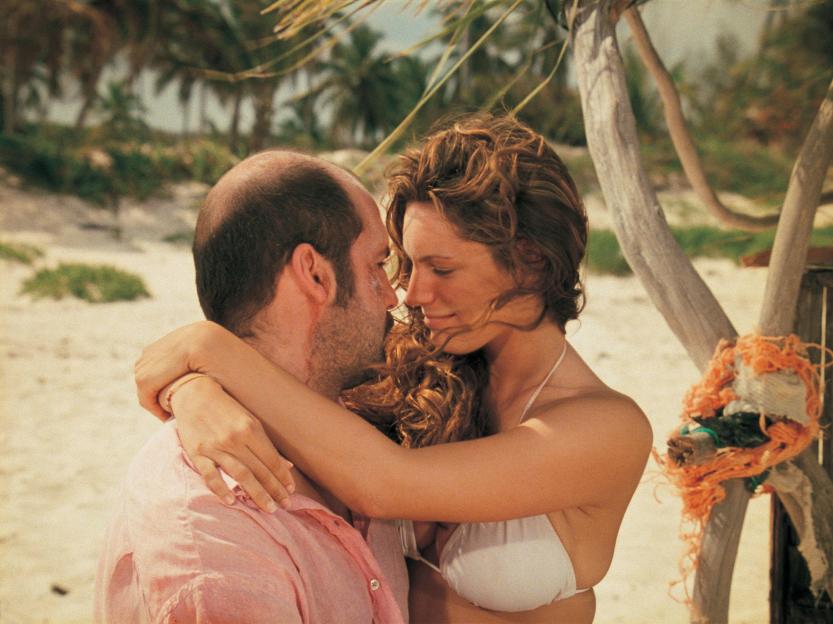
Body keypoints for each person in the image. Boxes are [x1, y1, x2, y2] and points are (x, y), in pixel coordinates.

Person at [135, 114, 653, 623]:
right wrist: (195, 389)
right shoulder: (411, 366)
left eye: (442, 268)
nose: (413, 293)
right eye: (408, 262)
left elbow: (383, 483)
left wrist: (209, 346)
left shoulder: (605, 429)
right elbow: (295, 377)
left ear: (530, 261)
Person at [96, 150, 410, 623]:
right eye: (377, 265)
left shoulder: (362, 419)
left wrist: (192, 375)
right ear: (315, 274)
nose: (391, 296)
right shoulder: (214, 538)